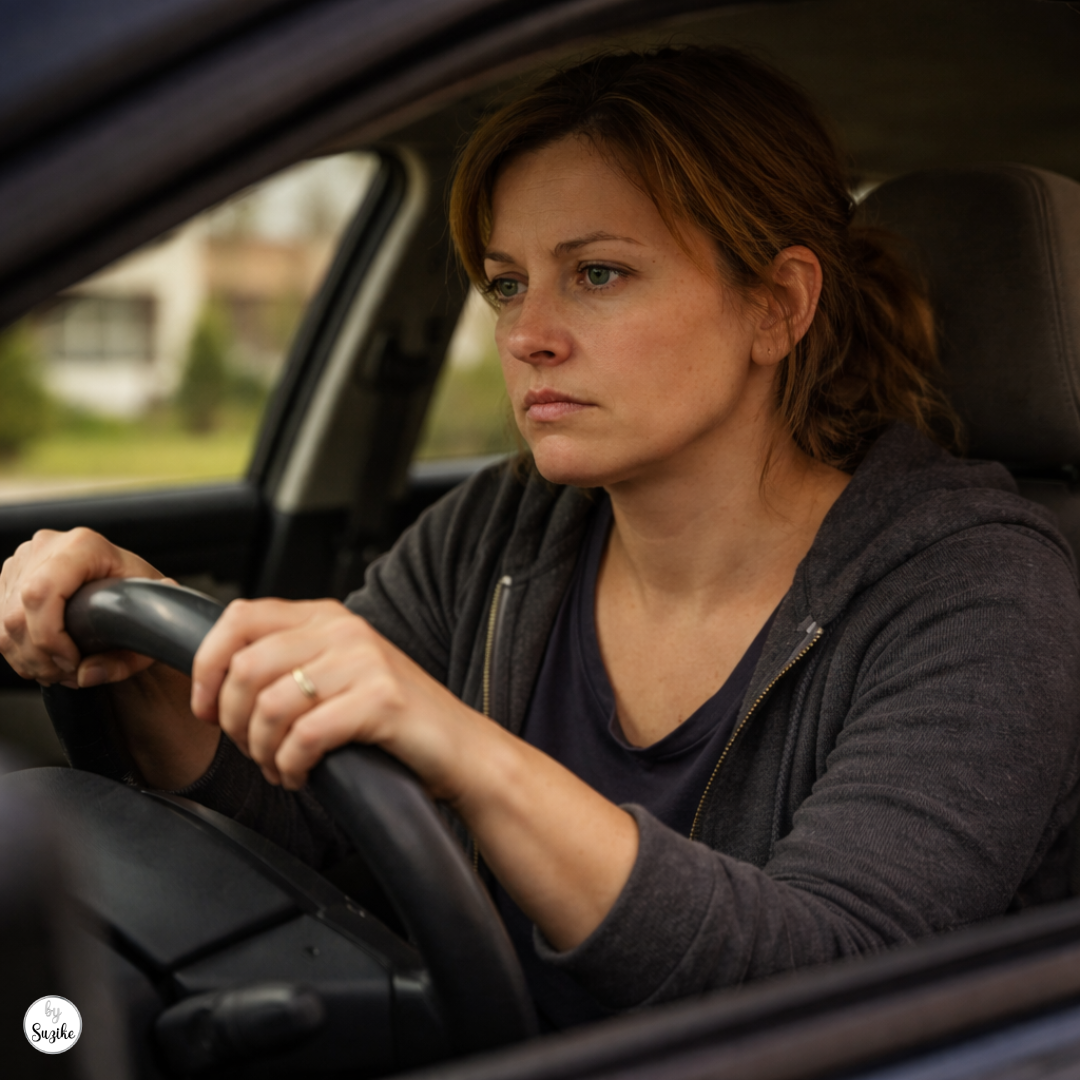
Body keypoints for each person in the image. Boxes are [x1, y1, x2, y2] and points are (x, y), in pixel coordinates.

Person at [2, 47, 1080, 1031]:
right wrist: (152, 669)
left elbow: (834, 992)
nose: (526, 335)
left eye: (598, 273)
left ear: (777, 306)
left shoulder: (981, 591)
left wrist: (467, 753)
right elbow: (323, 830)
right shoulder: (504, 525)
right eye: (508, 283)